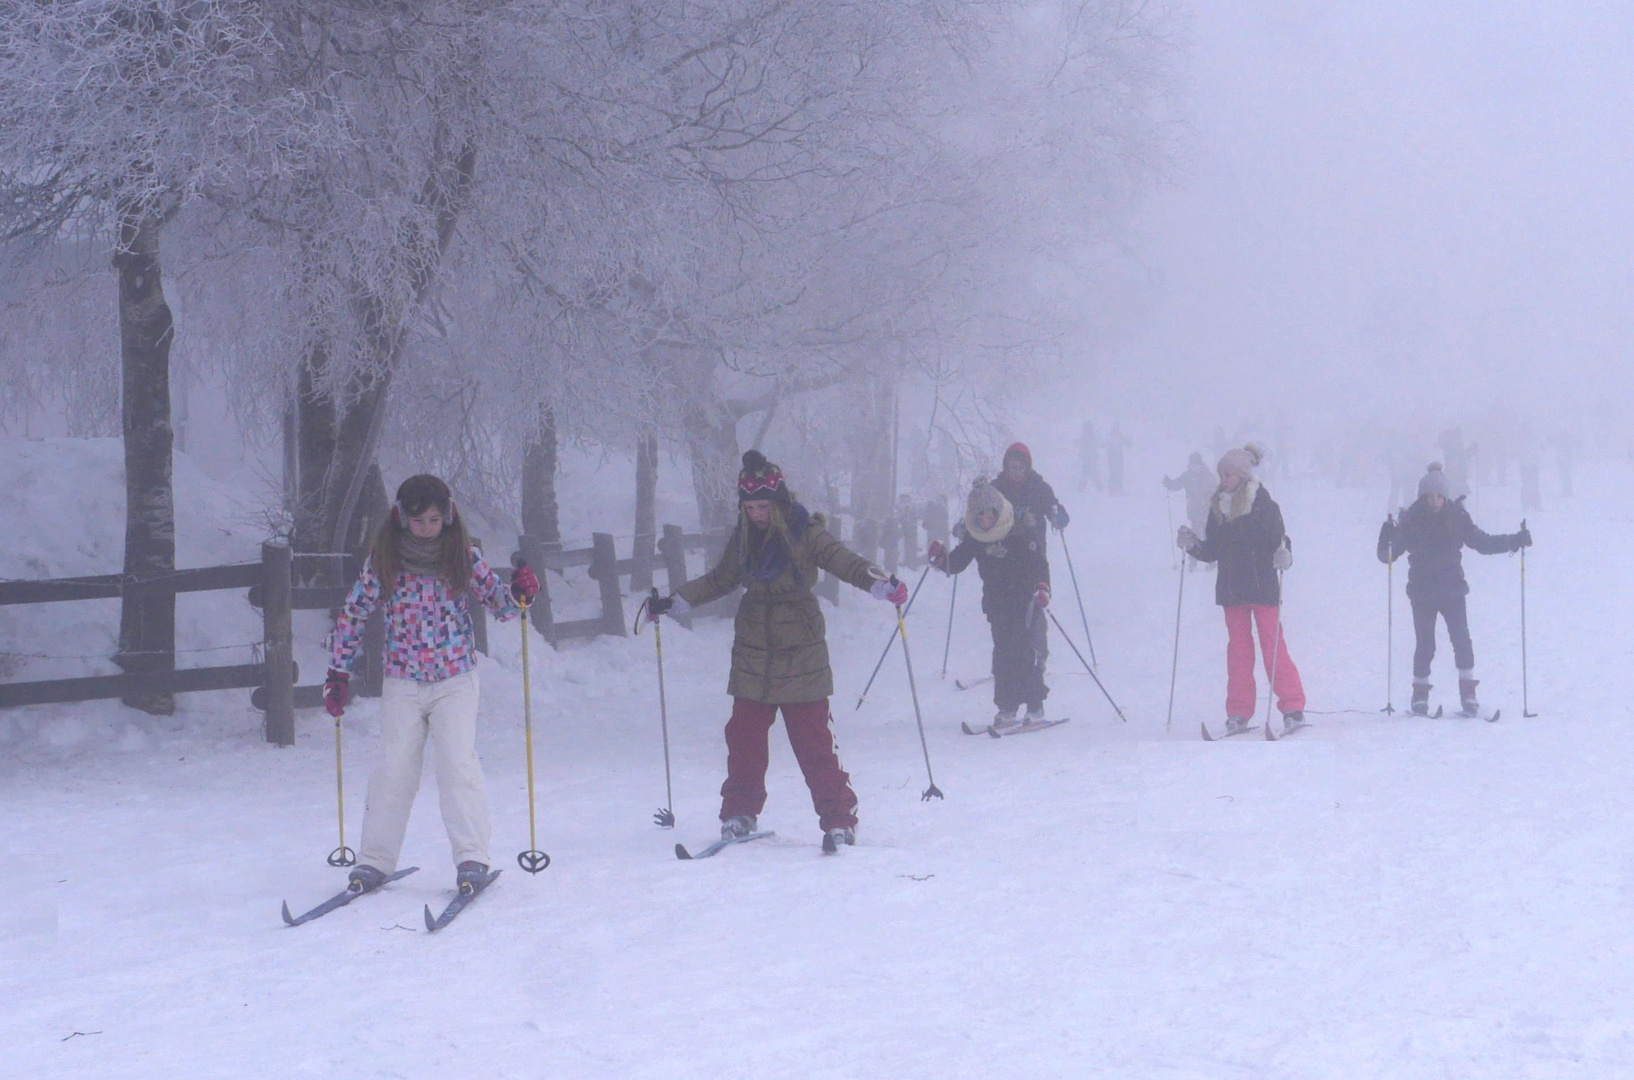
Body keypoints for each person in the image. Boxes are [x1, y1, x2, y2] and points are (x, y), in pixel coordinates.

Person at [646, 451, 904, 853]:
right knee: (743, 737)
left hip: (800, 646)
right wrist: (673, 601)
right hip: (753, 647)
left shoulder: (806, 531)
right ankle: (739, 813)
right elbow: (720, 580)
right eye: (750, 507)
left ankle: (839, 820)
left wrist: (881, 583)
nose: (757, 514)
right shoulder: (745, 538)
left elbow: (844, 561)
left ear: (779, 502)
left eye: (764, 506)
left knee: (814, 741)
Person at [323, 474, 540, 897]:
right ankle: (374, 861)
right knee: (394, 768)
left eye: (435, 519)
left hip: (455, 678)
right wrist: (338, 673)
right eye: (419, 521)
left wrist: (519, 593)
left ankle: (472, 857)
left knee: (457, 763)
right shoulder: (384, 560)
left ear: (449, 515)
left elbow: (500, 604)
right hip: (402, 679)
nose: (427, 528)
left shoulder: (462, 555)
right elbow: (353, 613)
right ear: (402, 518)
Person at [1377, 463, 1531, 717]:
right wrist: (1386, 538)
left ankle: (1468, 694)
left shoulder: (1457, 517)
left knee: (1462, 642)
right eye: (1429, 495)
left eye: (1438, 495)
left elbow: (1481, 542)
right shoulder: (1412, 519)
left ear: (1445, 495)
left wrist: (1513, 540)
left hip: (1452, 590)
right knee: (1425, 645)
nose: (1434, 500)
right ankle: (1419, 695)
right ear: (1422, 496)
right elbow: (1387, 556)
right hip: (1422, 591)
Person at [1177, 444, 1306, 734]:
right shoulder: (1218, 508)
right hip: (1232, 590)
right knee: (1238, 652)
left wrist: (1284, 553)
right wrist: (1193, 545)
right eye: (1221, 474)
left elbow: (1281, 541)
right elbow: (1212, 551)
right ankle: (1238, 711)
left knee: (1273, 648)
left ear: (1243, 476)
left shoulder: (1264, 506)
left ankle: (1293, 707)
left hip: (1262, 588)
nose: (1223, 480)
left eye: (1229, 475)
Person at [929, 479, 1051, 727]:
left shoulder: (1019, 531)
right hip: (997, 603)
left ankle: (1035, 705)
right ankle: (1007, 707)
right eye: (981, 517)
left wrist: (1043, 587)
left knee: (1024, 651)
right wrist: (942, 560)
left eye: (990, 515)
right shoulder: (977, 537)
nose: (986, 521)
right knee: (1003, 653)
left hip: (1025, 599)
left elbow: (1039, 563)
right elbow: (958, 562)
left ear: (999, 512)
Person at [993, 442, 1069, 530]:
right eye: (1013, 467)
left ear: (1028, 467)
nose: (1017, 472)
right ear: (1006, 467)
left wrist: (1059, 517)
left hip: (1034, 540)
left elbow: (1053, 507)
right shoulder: (995, 489)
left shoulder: (1040, 488)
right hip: (1002, 541)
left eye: (1021, 468)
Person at [1163, 452, 1214, 571]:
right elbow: (1176, 485)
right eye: (1192, 465)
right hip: (1194, 510)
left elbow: (1215, 491)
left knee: (1208, 535)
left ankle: (1211, 560)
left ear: (1201, 465)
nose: (1194, 467)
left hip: (1207, 510)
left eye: (1196, 465)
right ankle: (1194, 561)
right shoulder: (1187, 476)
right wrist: (1168, 482)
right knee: (1194, 536)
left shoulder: (1208, 476)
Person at [1076, 421, 1102, 494]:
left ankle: (1081, 488)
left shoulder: (1085, 435)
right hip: (1090, 457)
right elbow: (1091, 446)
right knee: (1092, 473)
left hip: (1088, 457)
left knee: (1087, 473)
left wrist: (1083, 454)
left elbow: (1084, 446)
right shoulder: (1090, 435)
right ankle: (1099, 487)